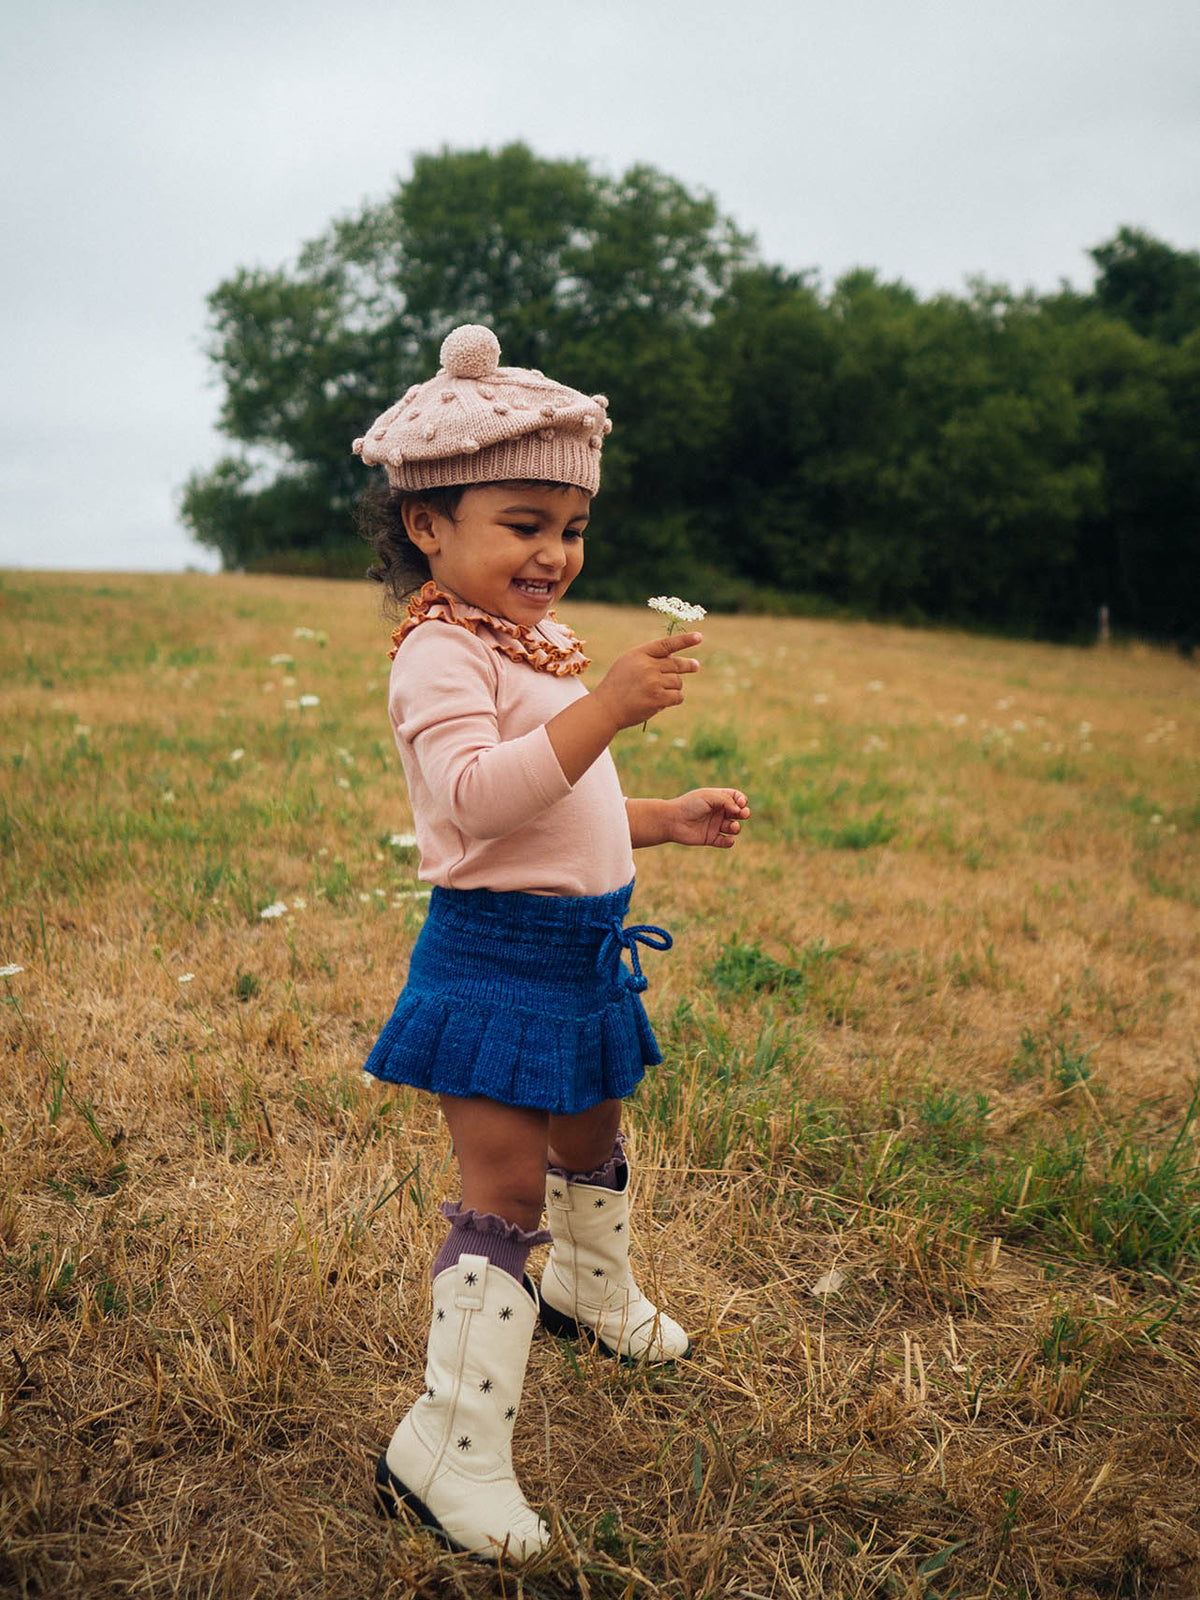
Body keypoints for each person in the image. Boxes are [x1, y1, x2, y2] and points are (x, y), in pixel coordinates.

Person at [352, 324, 750, 1561]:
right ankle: (445, 1444)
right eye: (523, 523)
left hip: (582, 951)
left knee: (594, 1130)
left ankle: (589, 1286)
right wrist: (605, 705)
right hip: (494, 958)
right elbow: (476, 802)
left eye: (571, 527)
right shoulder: (438, 655)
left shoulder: (535, 652)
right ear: (429, 522)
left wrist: (662, 820)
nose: (556, 554)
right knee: (507, 1185)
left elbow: (560, 803)